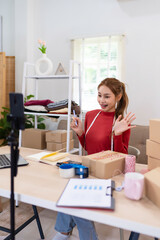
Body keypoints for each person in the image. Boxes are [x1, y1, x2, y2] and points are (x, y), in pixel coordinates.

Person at [53, 78, 136, 240]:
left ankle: (63, 233)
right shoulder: (91, 115)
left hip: (110, 175)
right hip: (89, 169)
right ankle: (64, 232)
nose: (101, 100)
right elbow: (87, 148)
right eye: (99, 95)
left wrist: (117, 134)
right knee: (69, 195)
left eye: (107, 96)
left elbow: (122, 157)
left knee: (75, 201)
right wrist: (79, 133)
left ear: (118, 97)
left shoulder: (122, 122)